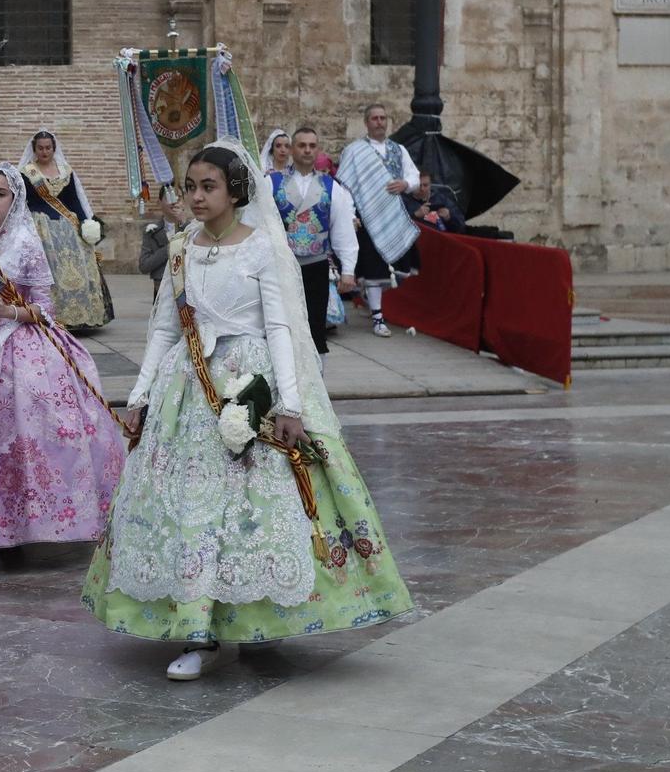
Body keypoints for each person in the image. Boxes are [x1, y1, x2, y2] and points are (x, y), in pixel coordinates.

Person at [81, 142, 414, 680]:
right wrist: (139, 397)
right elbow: (165, 327)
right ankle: (199, 630)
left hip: (247, 381)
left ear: (236, 191)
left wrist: (288, 403)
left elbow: (281, 328)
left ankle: (254, 615)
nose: (195, 196)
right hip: (186, 391)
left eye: (207, 186)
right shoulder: (182, 249)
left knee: (251, 508)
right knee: (191, 506)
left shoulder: (261, 249)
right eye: (190, 186)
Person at [0, 163, 125, 568]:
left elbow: (47, 307)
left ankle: (15, 526)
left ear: (13, 200)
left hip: (20, 340)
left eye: (0, 194)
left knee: (22, 421)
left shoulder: (26, 244)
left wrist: (15, 312)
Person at [338, 104, 428, 338]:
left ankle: (370, 299)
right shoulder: (355, 151)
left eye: (383, 118)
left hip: (394, 217)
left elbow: (415, 178)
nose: (379, 122)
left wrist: (405, 184)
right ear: (366, 122)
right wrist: (349, 215)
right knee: (375, 271)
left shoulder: (398, 150)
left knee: (396, 271)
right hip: (369, 217)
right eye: (374, 118)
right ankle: (378, 318)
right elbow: (345, 187)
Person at [269, 127, 358, 357]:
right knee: (280, 327)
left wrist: (348, 270)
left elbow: (343, 230)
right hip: (281, 268)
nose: (307, 150)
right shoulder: (272, 183)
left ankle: (315, 385)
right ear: (292, 149)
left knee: (315, 329)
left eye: (312, 145)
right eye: (301, 145)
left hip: (316, 268)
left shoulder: (331, 187)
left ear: (317, 150)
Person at [20, 129, 113, 330]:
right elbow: (24, 202)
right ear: (34, 149)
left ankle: (80, 316)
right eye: (41, 148)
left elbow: (73, 200)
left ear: (54, 149)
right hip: (41, 227)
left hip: (68, 226)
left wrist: (85, 224)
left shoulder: (65, 171)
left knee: (80, 264)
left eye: (48, 148)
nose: (45, 152)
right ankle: (52, 314)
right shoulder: (27, 172)